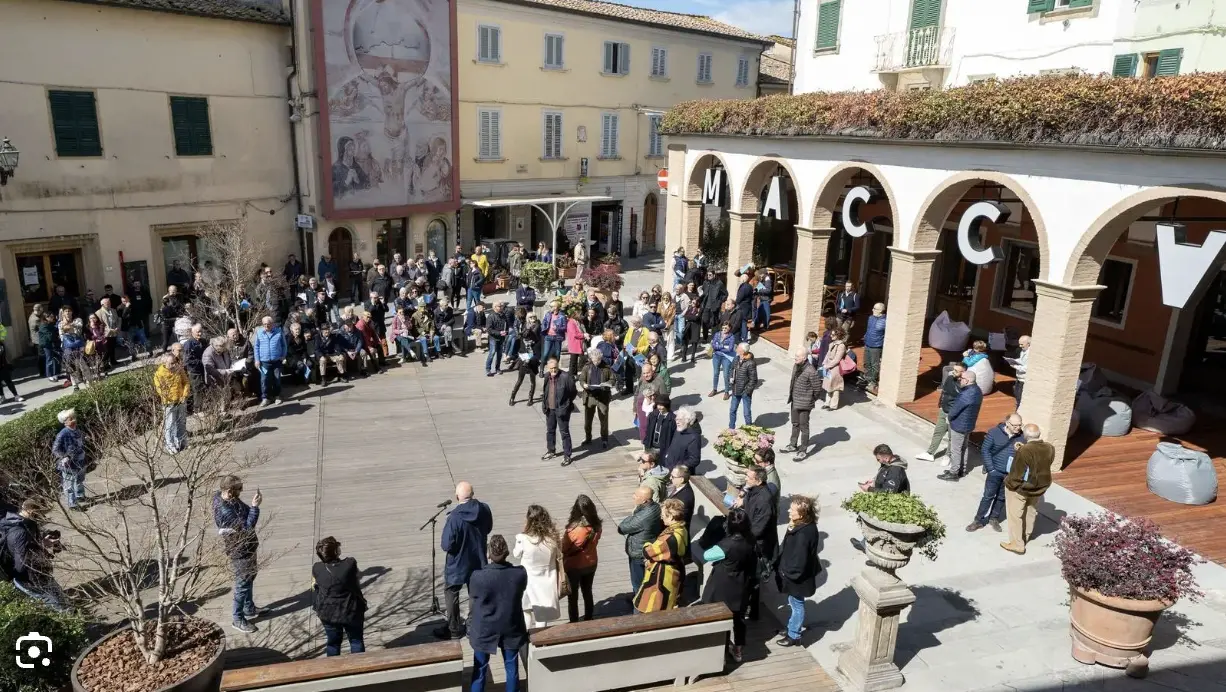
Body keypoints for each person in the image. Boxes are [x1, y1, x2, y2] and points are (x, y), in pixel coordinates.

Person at [467, 534, 528, 692]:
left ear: (489, 554)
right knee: (512, 668)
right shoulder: (519, 574)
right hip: (511, 626)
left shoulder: (478, 577)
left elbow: (473, 600)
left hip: (484, 628)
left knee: (480, 669)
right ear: (506, 553)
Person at [437, 481, 493, 640]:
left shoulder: (454, 517)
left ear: (457, 497)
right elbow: (488, 528)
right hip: (478, 559)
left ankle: (454, 629)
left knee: (451, 592)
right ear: (473, 494)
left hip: (457, 563)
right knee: (474, 593)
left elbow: (446, 545)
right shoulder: (484, 509)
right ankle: (471, 626)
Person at [700, 507, 755, 662]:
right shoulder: (751, 539)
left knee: (719, 618)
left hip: (722, 586)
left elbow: (707, 555)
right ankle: (738, 649)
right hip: (741, 584)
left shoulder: (726, 545)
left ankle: (719, 652)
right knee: (738, 619)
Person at [213, 475, 267, 633]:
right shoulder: (225, 510)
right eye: (239, 489)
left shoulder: (224, 497)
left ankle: (249, 608)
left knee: (250, 576)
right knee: (242, 584)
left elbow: (243, 515)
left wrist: (250, 508)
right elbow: (246, 527)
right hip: (240, 549)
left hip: (247, 546)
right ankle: (237, 619)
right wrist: (255, 507)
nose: (241, 491)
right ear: (229, 491)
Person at [1, 499, 66, 609]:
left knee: (59, 598)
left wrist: (42, 543)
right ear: (32, 511)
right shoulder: (19, 532)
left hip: (36, 574)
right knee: (57, 604)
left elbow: (25, 546)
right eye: (42, 513)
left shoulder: (24, 523)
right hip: (30, 578)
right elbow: (21, 565)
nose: (44, 517)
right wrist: (40, 555)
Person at [1001, 425, 1055, 555]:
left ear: (1025, 435)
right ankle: (1026, 536)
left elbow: (1016, 474)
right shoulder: (1049, 448)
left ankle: (1017, 544)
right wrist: (1022, 449)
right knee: (1031, 512)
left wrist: (1009, 484)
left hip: (1023, 488)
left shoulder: (1025, 451)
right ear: (1039, 434)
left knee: (1015, 515)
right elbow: (1043, 462)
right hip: (1040, 487)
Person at [776, 496, 821, 648]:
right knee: (793, 602)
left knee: (796, 604)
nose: (789, 510)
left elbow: (799, 561)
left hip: (797, 578)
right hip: (798, 574)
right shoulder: (804, 525)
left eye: (792, 509)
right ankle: (791, 627)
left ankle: (794, 634)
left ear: (801, 514)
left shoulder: (802, 534)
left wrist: (785, 573)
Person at [312, 536, 367, 656]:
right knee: (356, 640)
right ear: (336, 551)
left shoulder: (317, 567)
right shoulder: (350, 563)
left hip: (327, 612)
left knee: (333, 643)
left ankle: (332, 668)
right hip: (351, 610)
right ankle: (359, 668)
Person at [970, 413, 1023, 533]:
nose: (1018, 428)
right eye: (1015, 425)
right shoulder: (994, 432)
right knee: (988, 496)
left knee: (1001, 497)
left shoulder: (1022, 437)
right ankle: (978, 520)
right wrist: (991, 469)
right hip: (995, 472)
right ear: (1007, 423)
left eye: (1020, 425)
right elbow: (985, 450)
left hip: (1009, 474)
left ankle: (994, 518)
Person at [634, 498, 689, 614]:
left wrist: (647, 544)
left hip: (663, 577)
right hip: (675, 571)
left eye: (664, 515)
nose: (661, 517)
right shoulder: (682, 529)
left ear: (671, 517)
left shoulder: (669, 538)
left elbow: (648, 552)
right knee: (667, 603)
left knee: (653, 605)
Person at [513, 505, 562, 628]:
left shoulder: (523, 539)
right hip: (546, 581)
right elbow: (558, 554)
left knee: (526, 611)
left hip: (528, 582)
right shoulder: (552, 539)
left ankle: (527, 637)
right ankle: (541, 640)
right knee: (542, 615)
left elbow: (516, 554)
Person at [740, 466, 777, 620]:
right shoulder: (753, 491)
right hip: (751, 540)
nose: (745, 479)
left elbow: (758, 528)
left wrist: (741, 538)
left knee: (753, 579)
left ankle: (752, 610)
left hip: (758, 546)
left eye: (749, 477)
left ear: (758, 480)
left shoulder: (764, 500)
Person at [561, 494, 601, 623]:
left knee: (573, 597)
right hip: (591, 562)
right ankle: (589, 618)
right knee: (587, 591)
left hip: (574, 566)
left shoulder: (574, 529)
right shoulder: (597, 525)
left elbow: (564, 548)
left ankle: (574, 622)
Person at [916, 362, 966, 463]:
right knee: (938, 432)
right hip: (944, 409)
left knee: (952, 436)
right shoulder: (950, 378)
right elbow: (944, 392)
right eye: (954, 369)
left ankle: (948, 455)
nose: (953, 372)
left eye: (956, 371)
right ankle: (930, 453)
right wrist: (940, 404)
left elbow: (961, 399)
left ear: (963, 373)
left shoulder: (964, 385)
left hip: (954, 414)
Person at [939, 369, 984, 482]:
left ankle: (953, 472)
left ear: (967, 380)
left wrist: (949, 418)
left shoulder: (966, 394)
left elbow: (955, 410)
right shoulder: (977, 390)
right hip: (968, 424)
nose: (960, 380)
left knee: (956, 449)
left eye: (962, 378)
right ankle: (961, 470)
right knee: (964, 447)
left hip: (959, 424)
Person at [618, 486, 662, 593]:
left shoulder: (643, 517)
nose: (633, 496)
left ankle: (638, 605)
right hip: (647, 547)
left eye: (636, 495)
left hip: (639, 553)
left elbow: (622, 528)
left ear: (644, 500)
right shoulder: (655, 506)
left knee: (638, 583)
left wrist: (632, 516)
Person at [783, 346, 822, 461]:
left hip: (805, 404)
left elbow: (817, 389)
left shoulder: (811, 371)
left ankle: (803, 450)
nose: (795, 358)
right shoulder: (796, 366)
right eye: (795, 355)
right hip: (794, 401)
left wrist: (810, 400)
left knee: (804, 427)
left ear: (804, 358)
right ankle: (793, 444)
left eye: (798, 356)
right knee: (795, 424)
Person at [541, 356, 577, 467]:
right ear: (548, 368)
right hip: (549, 409)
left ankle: (567, 455)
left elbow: (573, 392)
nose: (553, 370)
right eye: (551, 368)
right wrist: (545, 405)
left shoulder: (566, 377)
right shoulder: (547, 376)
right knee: (550, 431)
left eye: (555, 368)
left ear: (558, 366)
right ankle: (551, 451)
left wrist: (566, 405)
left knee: (564, 433)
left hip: (562, 410)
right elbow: (545, 391)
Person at [154, 345, 191, 454]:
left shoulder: (179, 370)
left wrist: (184, 395)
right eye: (171, 363)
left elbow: (186, 382)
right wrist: (167, 398)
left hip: (181, 400)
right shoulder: (159, 374)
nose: (174, 365)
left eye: (174, 362)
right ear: (164, 363)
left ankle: (181, 442)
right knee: (169, 425)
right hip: (169, 403)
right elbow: (159, 388)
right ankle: (169, 444)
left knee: (181, 422)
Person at [51, 409, 87, 510]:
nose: (74, 420)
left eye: (74, 417)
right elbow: (55, 449)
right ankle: (72, 504)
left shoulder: (77, 430)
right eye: (71, 419)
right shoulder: (63, 434)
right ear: (65, 422)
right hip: (69, 464)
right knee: (69, 485)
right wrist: (64, 457)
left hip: (80, 459)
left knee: (80, 479)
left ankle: (80, 496)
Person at [578, 348, 613, 449]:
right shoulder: (587, 367)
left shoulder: (606, 367)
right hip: (590, 396)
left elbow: (612, 379)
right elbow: (581, 379)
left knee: (604, 420)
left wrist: (608, 384)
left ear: (601, 358)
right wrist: (583, 384)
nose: (596, 362)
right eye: (594, 360)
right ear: (591, 358)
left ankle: (604, 439)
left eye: (598, 360)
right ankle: (588, 437)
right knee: (588, 420)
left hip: (603, 397)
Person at [253, 316, 286, 406]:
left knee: (277, 379)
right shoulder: (259, 333)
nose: (266, 326)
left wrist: (283, 355)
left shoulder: (279, 331)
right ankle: (265, 398)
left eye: (268, 324)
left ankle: (277, 396)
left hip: (277, 360)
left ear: (273, 324)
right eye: (264, 324)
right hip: (264, 361)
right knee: (264, 380)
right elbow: (256, 347)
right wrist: (257, 360)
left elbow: (284, 345)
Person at [510, 313, 541, 405]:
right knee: (520, 380)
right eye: (530, 317)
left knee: (532, 380)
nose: (533, 319)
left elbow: (538, 341)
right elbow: (520, 341)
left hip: (533, 357)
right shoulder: (524, 327)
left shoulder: (538, 327)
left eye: (534, 317)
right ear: (527, 319)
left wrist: (537, 358)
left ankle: (530, 398)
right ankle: (512, 397)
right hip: (524, 357)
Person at [662, 407, 701, 474]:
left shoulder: (694, 437)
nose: (677, 422)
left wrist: (678, 467)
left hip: (679, 474)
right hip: (668, 468)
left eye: (680, 419)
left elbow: (694, 460)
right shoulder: (679, 430)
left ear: (688, 420)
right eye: (676, 419)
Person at [729, 343, 758, 429]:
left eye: (738, 347)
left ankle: (749, 429)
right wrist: (730, 378)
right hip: (735, 389)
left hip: (745, 392)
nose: (736, 348)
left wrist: (747, 391)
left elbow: (754, 380)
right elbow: (731, 369)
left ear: (743, 351)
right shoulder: (736, 359)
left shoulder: (750, 363)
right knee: (732, 410)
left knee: (746, 413)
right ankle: (731, 428)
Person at [861, 303, 887, 393]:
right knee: (867, 363)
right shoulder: (871, 318)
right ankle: (867, 381)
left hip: (876, 346)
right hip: (867, 343)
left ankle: (873, 383)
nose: (872, 310)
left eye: (874, 308)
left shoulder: (885, 321)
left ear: (880, 310)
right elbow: (868, 329)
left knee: (874, 365)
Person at [821, 328, 848, 410]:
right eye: (831, 334)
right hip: (828, 367)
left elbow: (837, 359)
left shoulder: (841, 346)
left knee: (835, 387)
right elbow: (827, 354)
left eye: (833, 335)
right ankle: (827, 403)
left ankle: (833, 405)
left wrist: (828, 366)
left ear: (838, 335)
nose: (831, 336)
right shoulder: (831, 344)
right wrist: (824, 363)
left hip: (835, 368)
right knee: (828, 385)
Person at [709, 322, 736, 399]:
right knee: (715, 373)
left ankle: (726, 392)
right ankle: (714, 389)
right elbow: (713, 345)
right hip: (716, 356)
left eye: (726, 328)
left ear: (729, 328)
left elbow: (730, 349)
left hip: (726, 357)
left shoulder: (732, 337)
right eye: (723, 327)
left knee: (726, 375)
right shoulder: (717, 334)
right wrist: (723, 346)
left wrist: (718, 346)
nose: (724, 329)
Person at [666, 465, 695, 534]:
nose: (670, 478)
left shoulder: (685, 498)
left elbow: (677, 520)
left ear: (681, 479)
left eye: (673, 477)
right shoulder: (679, 487)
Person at [1005, 335, 1030, 406]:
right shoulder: (1023, 351)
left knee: (1020, 396)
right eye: (1019, 344)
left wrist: (1016, 366)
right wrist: (1014, 361)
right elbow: (1022, 361)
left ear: (1028, 344)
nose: (1020, 346)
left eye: (1022, 344)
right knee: (1016, 393)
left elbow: (1026, 368)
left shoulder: (1030, 353)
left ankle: (1019, 409)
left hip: (1023, 379)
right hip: (1019, 377)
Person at [733, 271, 753, 343]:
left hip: (742, 307)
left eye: (741, 279)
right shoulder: (750, 286)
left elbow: (739, 298)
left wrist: (735, 303)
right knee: (744, 322)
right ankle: (744, 337)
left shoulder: (744, 287)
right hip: (747, 306)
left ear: (744, 279)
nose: (740, 280)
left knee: (743, 323)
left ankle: (744, 338)